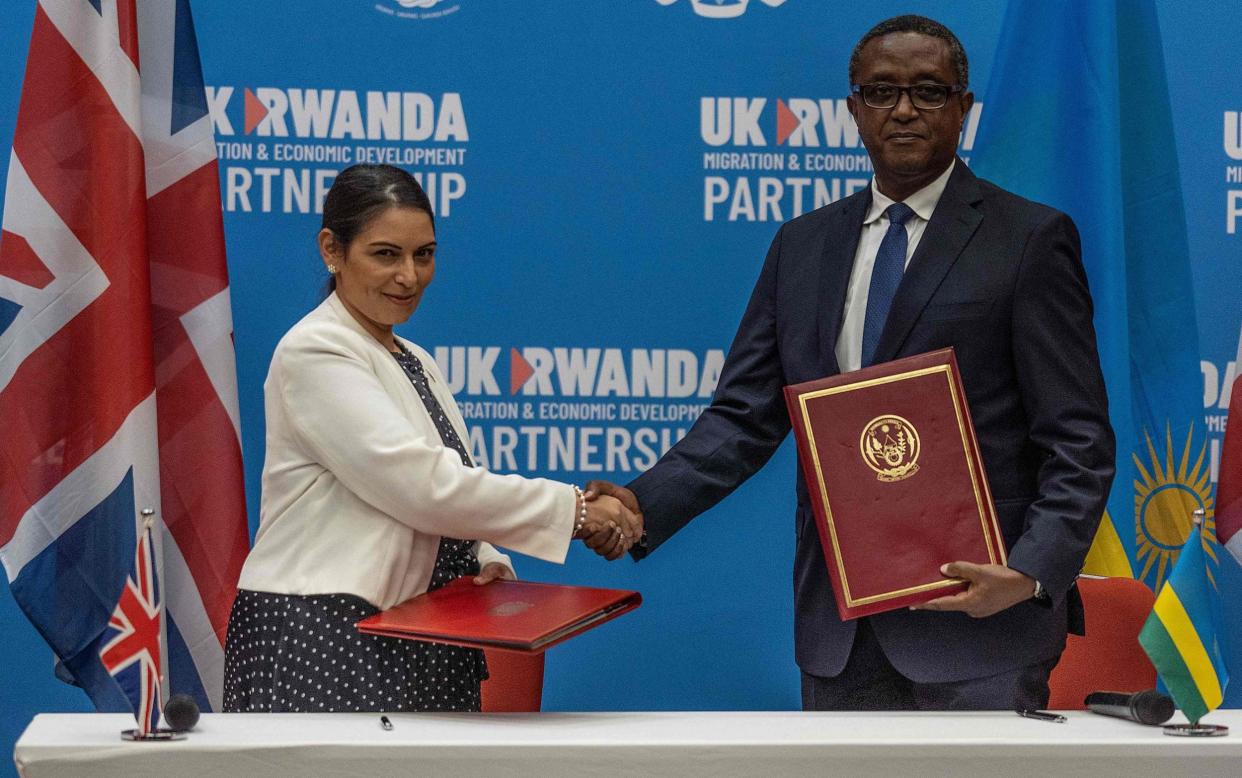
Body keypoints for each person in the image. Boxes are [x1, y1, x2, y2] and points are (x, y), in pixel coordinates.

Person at [587, 15, 1115, 711]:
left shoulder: (1028, 240)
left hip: (982, 625)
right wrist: (640, 503)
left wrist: (1028, 572)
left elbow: (1078, 438)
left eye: (929, 91)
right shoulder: (801, 246)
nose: (902, 109)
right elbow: (744, 418)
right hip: (842, 627)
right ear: (852, 111)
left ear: (963, 108)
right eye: (880, 92)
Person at [224, 164, 638, 713]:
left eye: (424, 254)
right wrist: (579, 511)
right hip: (323, 631)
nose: (409, 276)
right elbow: (422, 487)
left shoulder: (415, 360)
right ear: (332, 249)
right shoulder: (315, 350)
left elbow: (451, 491)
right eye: (386, 254)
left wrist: (484, 563)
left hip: (421, 636)